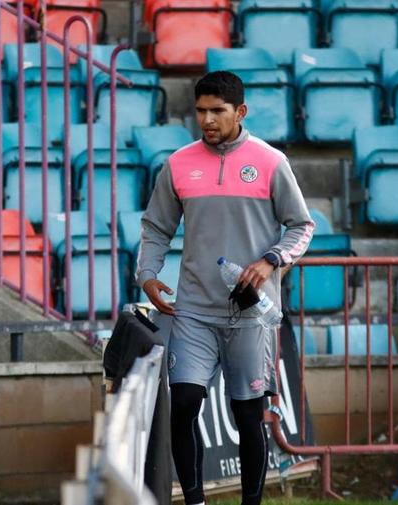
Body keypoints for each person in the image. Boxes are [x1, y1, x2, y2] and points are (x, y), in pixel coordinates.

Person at [136, 71, 314, 505]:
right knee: (182, 408)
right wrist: (148, 274)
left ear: (240, 111)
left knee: (248, 415)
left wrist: (271, 260)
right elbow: (156, 227)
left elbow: (301, 227)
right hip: (193, 309)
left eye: (217, 111)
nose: (208, 120)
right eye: (201, 111)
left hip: (251, 314)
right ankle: (195, 501)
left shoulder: (271, 162)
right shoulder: (177, 164)